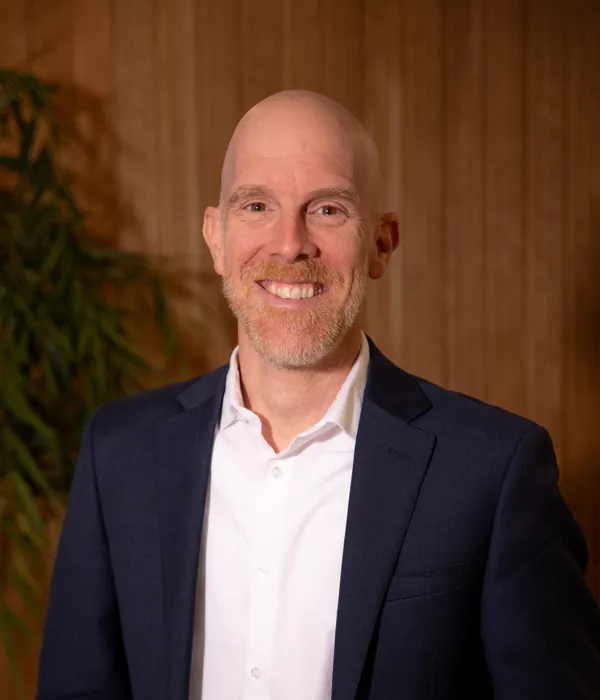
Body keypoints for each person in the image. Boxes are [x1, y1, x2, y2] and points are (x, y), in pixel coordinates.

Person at [37, 90, 600, 700]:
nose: (289, 244)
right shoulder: (119, 454)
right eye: (257, 205)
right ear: (216, 238)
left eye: (328, 209)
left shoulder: (493, 471)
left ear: (381, 243)